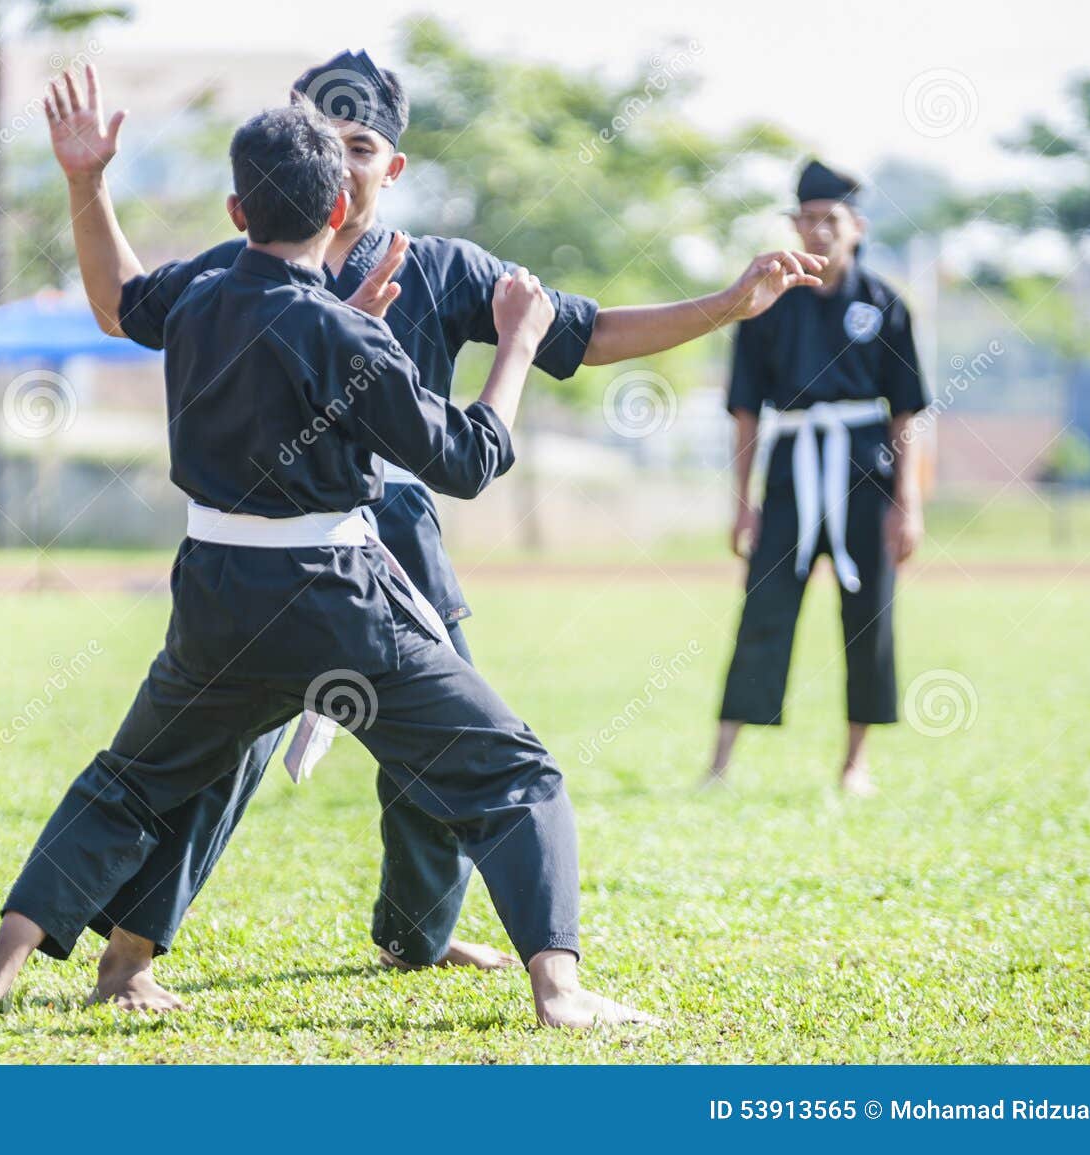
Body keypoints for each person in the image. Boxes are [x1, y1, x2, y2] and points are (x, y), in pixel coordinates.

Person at [47, 53, 823, 1010]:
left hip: (392, 550)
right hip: (260, 557)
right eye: (323, 138)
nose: (341, 155)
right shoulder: (240, 268)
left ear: (391, 167)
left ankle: (420, 935)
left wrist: (726, 306)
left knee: (437, 762)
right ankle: (128, 956)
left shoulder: (442, 269)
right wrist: (88, 182)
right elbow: (124, 305)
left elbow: (580, 331)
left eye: (361, 143)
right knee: (216, 756)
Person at [0, 100, 659, 1029]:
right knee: (516, 773)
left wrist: (89, 180)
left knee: (131, 778)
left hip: (214, 603)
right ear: (343, 211)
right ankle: (561, 990)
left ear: (235, 214)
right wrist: (515, 344)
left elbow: (153, 307)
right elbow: (466, 461)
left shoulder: (196, 300)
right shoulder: (348, 334)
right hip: (339, 609)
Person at [708, 159, 931, 797]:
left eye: (828, 220)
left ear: (856, 226)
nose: (816, 232)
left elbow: (906, 412)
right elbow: (745, 410)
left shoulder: (885, 304)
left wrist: (907, 504)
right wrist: (742, 503)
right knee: (764, 608)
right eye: (803, 220)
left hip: (867, 471)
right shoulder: (767, 304)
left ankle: (855, 763)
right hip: (792, 470)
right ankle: (721, 761)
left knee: (869, 616)